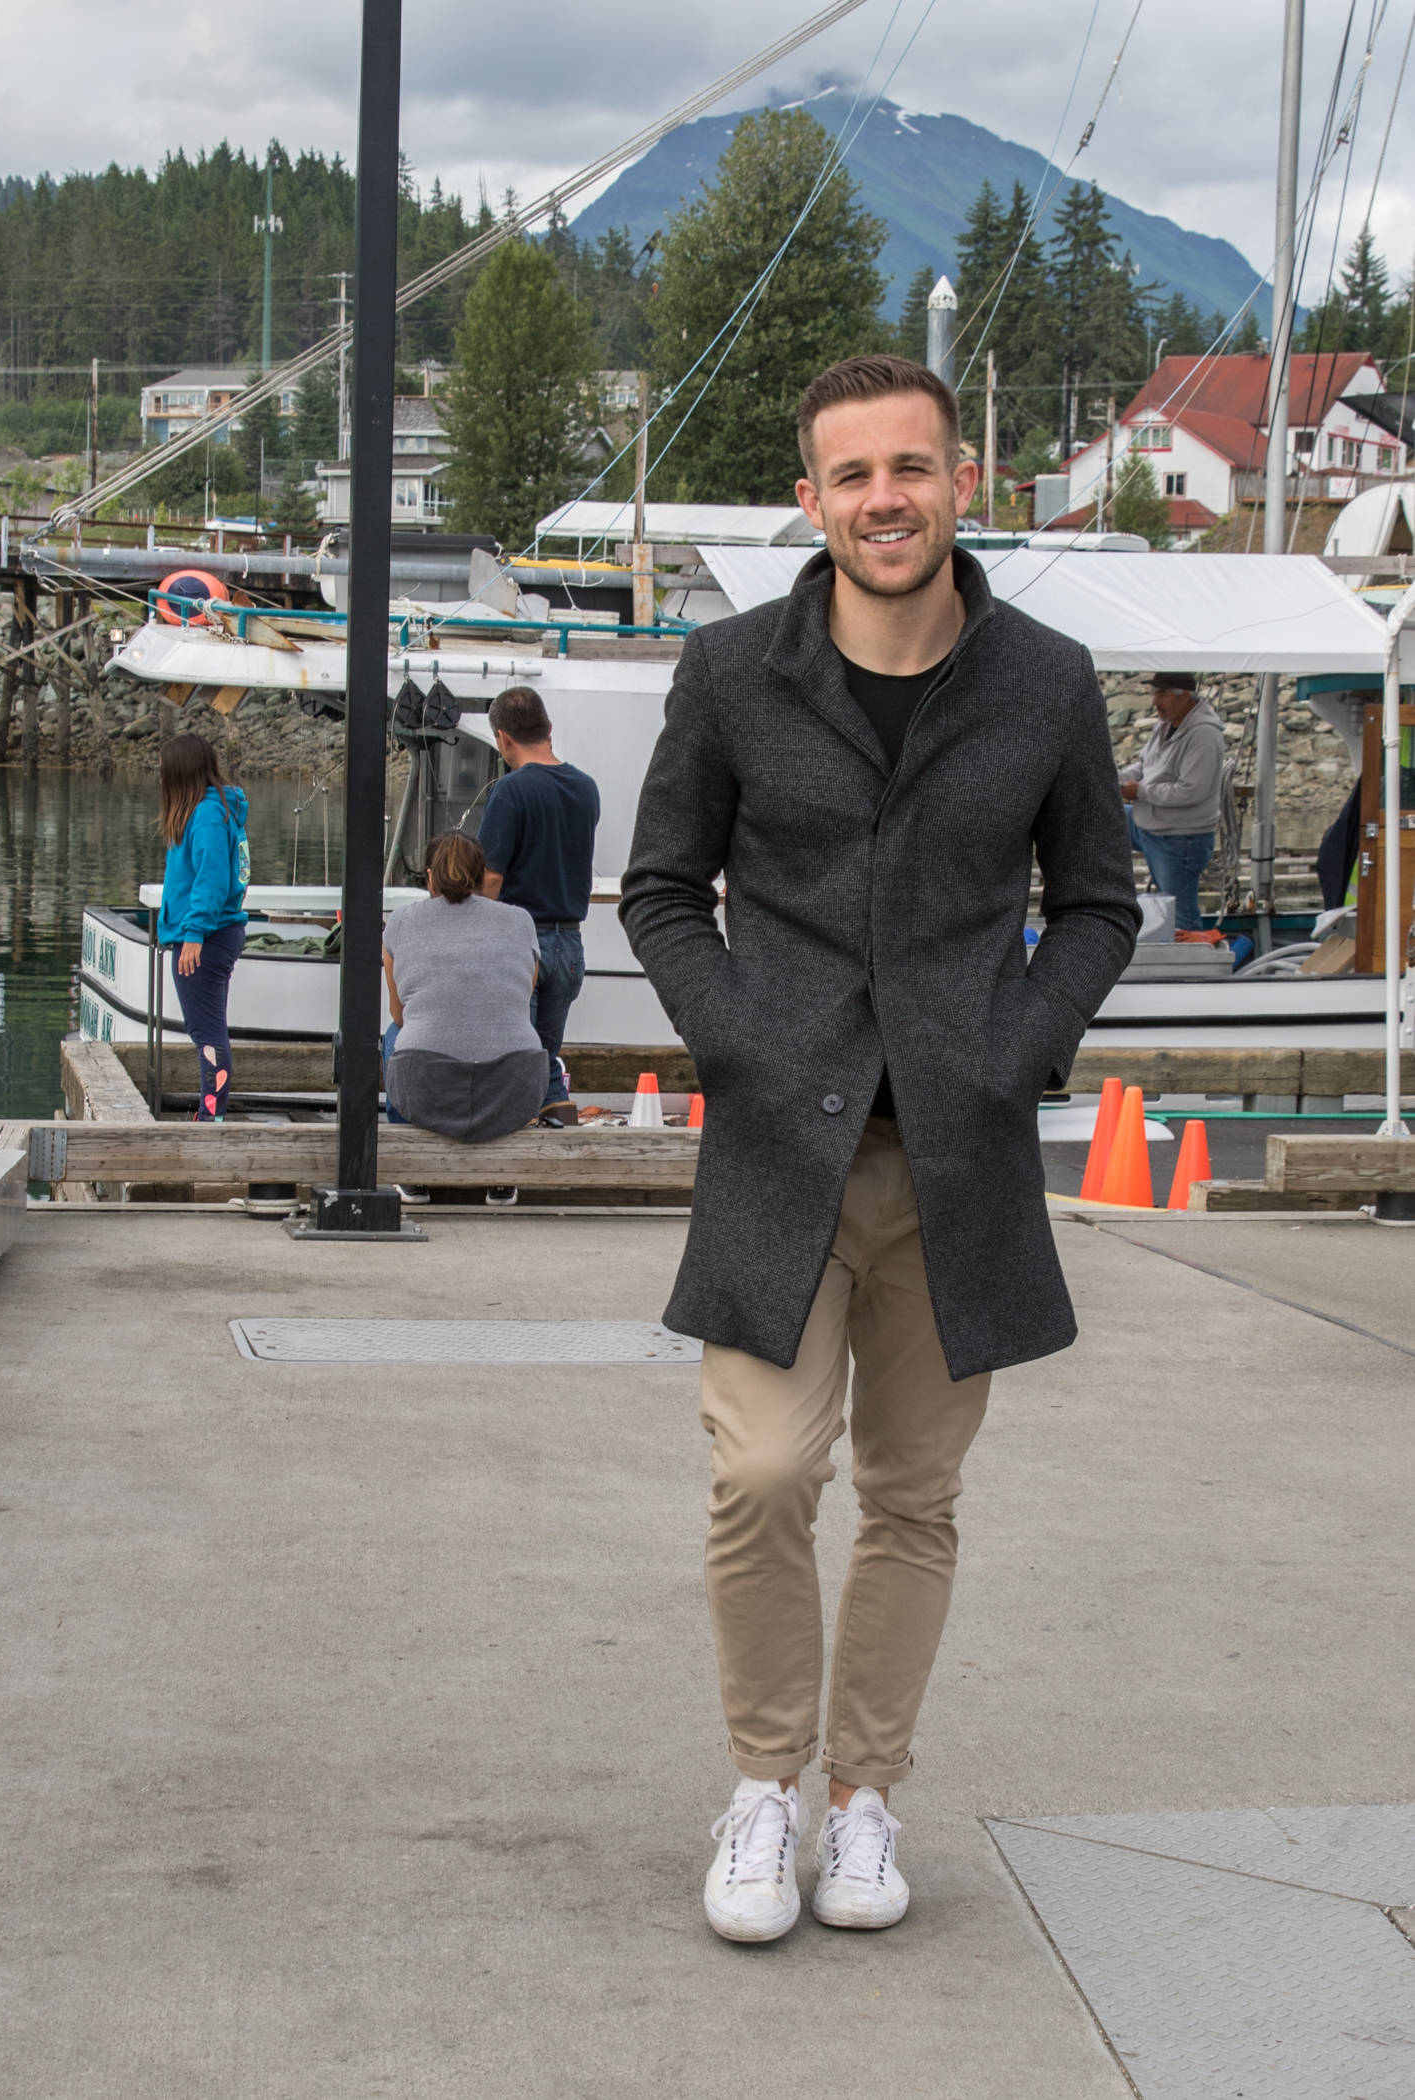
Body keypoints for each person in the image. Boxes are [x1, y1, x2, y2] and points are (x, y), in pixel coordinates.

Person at [620, 354, 1139, 1944]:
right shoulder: (730, 673)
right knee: (765, 1473)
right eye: (852, 475)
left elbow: (1099, 903)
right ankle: (764, 1791)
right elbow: (661, 892)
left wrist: (1017, 1045)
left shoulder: (1046, 681)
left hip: (959, 1164)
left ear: (961, 482)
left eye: (911, 467)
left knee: (913, 1495)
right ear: (811, 501)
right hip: (779, 1152)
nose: (884, 499)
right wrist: (742, 1040)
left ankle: (861, 1803)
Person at [381, 831, 547, 1205]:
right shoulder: (520, 921)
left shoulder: (402, 921)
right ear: (481, 876)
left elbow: (399, 1013)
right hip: (512, 1085)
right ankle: (502, 1175)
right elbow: (522, 999)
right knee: (514, 1030)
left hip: (427, 1086)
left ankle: (413, 1174)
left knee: (394, 1034)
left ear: (429, 877)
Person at [477, 685, 600, 1112]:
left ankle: (521, 1131)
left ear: (503, 738)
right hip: (569, 945)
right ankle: (557, 1114)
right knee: (545, 1058)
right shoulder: (586, 789)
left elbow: (491, 877)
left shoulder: (510, 792)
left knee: (516, 1061)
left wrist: (477, 933)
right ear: (549, 728)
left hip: (521, 941)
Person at [156, 733, 250, 1121]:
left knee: (207, 1034)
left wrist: (194, 932)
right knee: (209, 1031)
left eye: (164, 771)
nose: (161, 778)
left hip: (205, 937)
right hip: (213, 933)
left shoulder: (208, 816)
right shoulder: (212, 810)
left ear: (181, 773)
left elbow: (211, 879)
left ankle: (211, 1118)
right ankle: (211, 1114)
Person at [1119, 672, 1227, 931]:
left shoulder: (1203, 735)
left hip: (1179, 838)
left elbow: (1192, 791)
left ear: (1185, 696)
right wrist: (1112, 779)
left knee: (1181, 915)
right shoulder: (1165, 724)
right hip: (1149, 824)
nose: (1155, 702)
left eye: (1162, 694)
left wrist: (1140, 792)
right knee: (1098, 815)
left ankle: (1192, 955)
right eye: (1155, 693)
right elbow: (1144, 766)